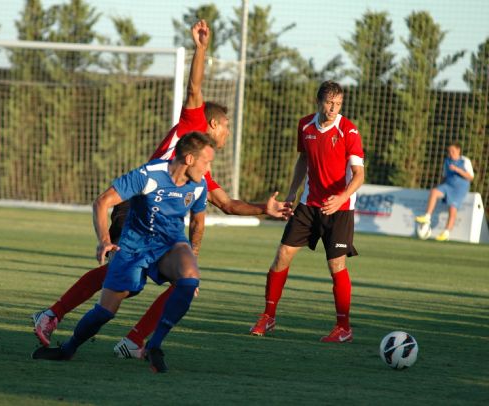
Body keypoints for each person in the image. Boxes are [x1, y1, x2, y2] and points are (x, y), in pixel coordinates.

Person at [31, 19, 292, 357]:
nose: (228, 133)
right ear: (213, 124)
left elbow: (226, 203)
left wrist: (263, 209)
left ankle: (128, 339)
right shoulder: (193, 124)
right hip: (137, 206)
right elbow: (195, 88)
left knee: (183, 281)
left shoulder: (199, 168)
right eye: (227, 126)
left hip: (161, 226)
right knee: (124, 282)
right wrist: (201, 49)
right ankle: (58, 317)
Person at [32, 132, 216, 373]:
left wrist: (191, 257)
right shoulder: (149, 175)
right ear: (189, 159)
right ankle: (68, 348)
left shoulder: (199, 185)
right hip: (134, 246)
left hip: (169, 244)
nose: (209, 169)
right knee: (105, 312)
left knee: (190, 279)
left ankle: (155, 345)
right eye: (206, 162)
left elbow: (197, 223)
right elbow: (102, 202)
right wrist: (104, 241)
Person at [249, 80, 365, 343]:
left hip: (340, 208)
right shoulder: (305, 126)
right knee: (282, 255)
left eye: (338, 104)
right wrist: (292, 193)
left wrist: (341, 197)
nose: (333, 109)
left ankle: (343, 328)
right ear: (318, 101)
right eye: (329, 103)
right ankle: (268, 316)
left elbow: (359, 174)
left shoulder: (349, 130)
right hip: (309, 204)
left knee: (336, 265)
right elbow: (303, 159)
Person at [415, 142, 474, 241]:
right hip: (448, 185)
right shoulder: (447, 161)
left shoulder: (465, 161)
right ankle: (427, 217)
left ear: (458, 150)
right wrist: (440, 185)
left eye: (453, 151)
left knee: (452, 209)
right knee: (434, 192)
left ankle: (446, 233)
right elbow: (444, 175)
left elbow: (470, 177)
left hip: (459, 189)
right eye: (449, 151)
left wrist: (457, 169)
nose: (451, 153)